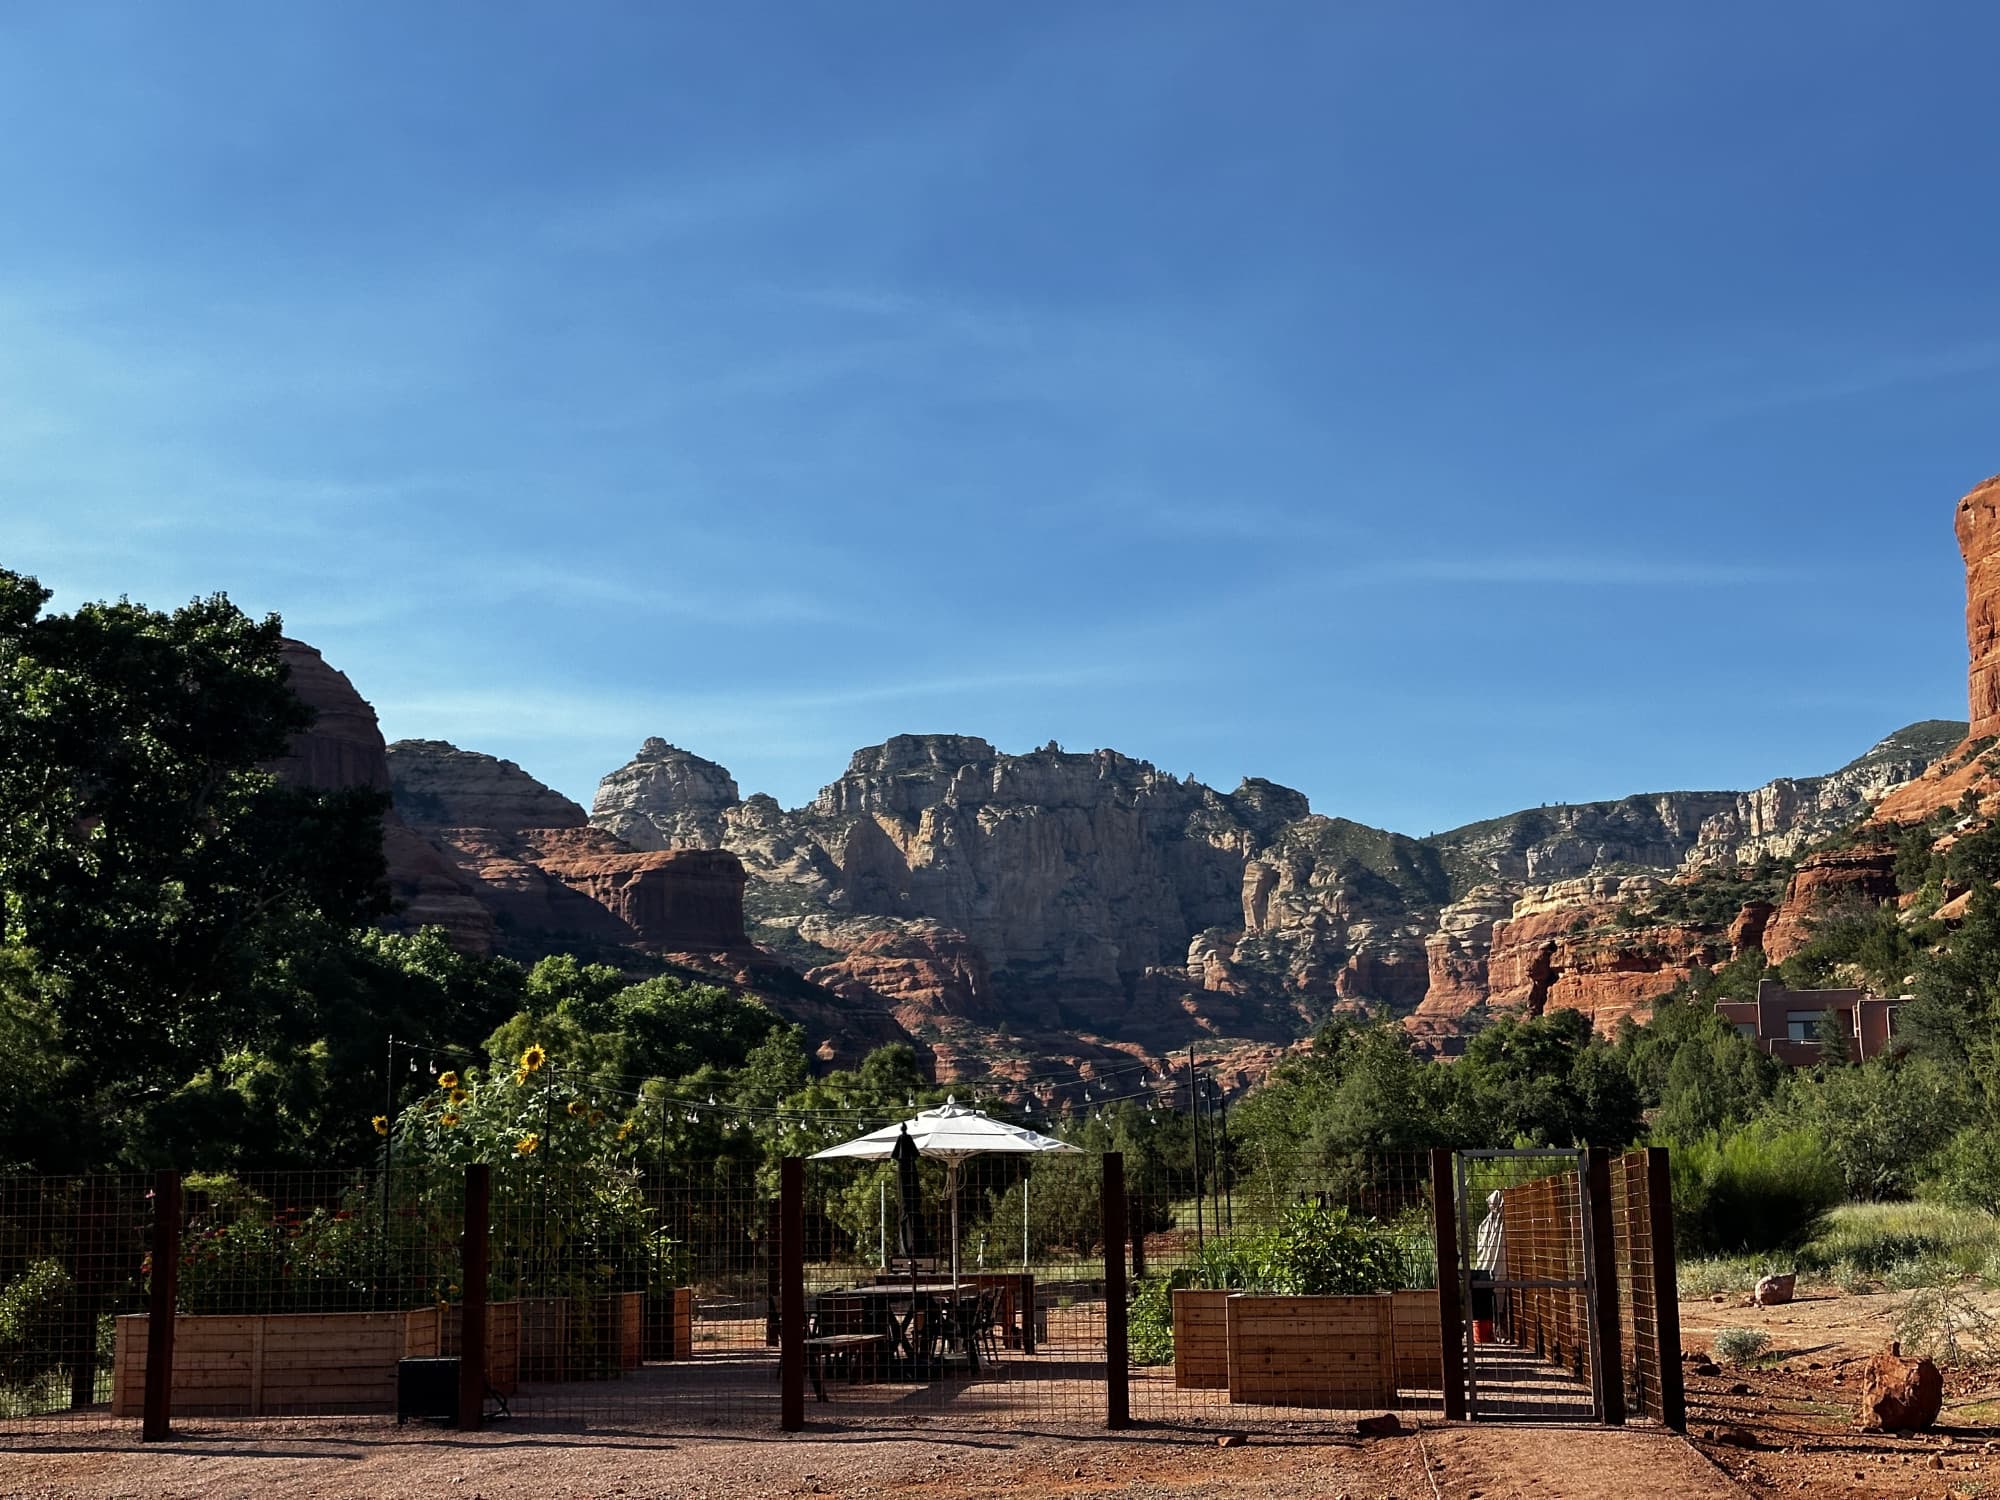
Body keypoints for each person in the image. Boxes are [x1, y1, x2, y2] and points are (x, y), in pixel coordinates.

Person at [1472, 1189, 1506, 1345]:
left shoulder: (1501, 1224)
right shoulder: (1485, 1225)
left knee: (1499, 1298)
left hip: (1498, 1269)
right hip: (1488, 1271)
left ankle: (1499, 1329)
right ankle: (1492, 1330)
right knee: (1490, 1301)